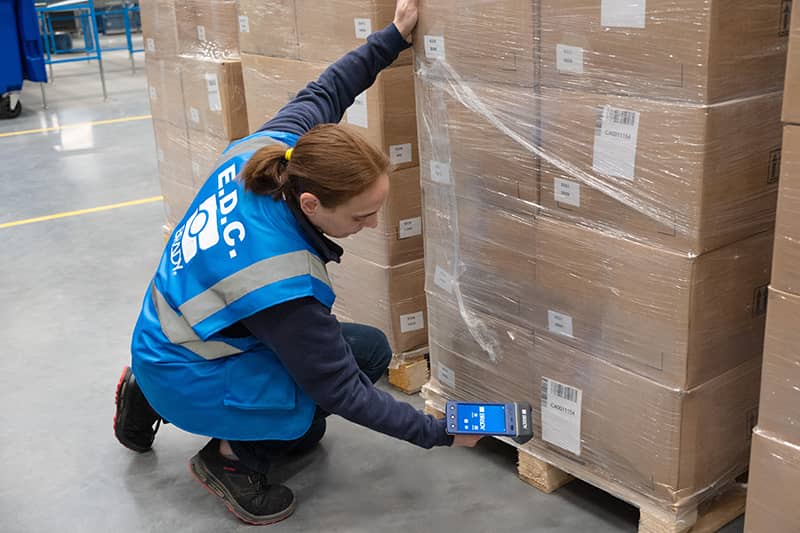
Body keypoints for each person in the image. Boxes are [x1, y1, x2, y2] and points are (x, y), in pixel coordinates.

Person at [113, 0, 480, 526]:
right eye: (361, 216)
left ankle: (145, 390)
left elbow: (327, 91)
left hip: (167, 336)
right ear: (311, 205)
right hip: (188, 366)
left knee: (370, 349)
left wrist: (394, 36)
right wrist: (438, 432)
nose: (372, 224)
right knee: (308, 416)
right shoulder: (281, 281)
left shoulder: (274, 153)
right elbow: (342, 391)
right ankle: (231, 460)